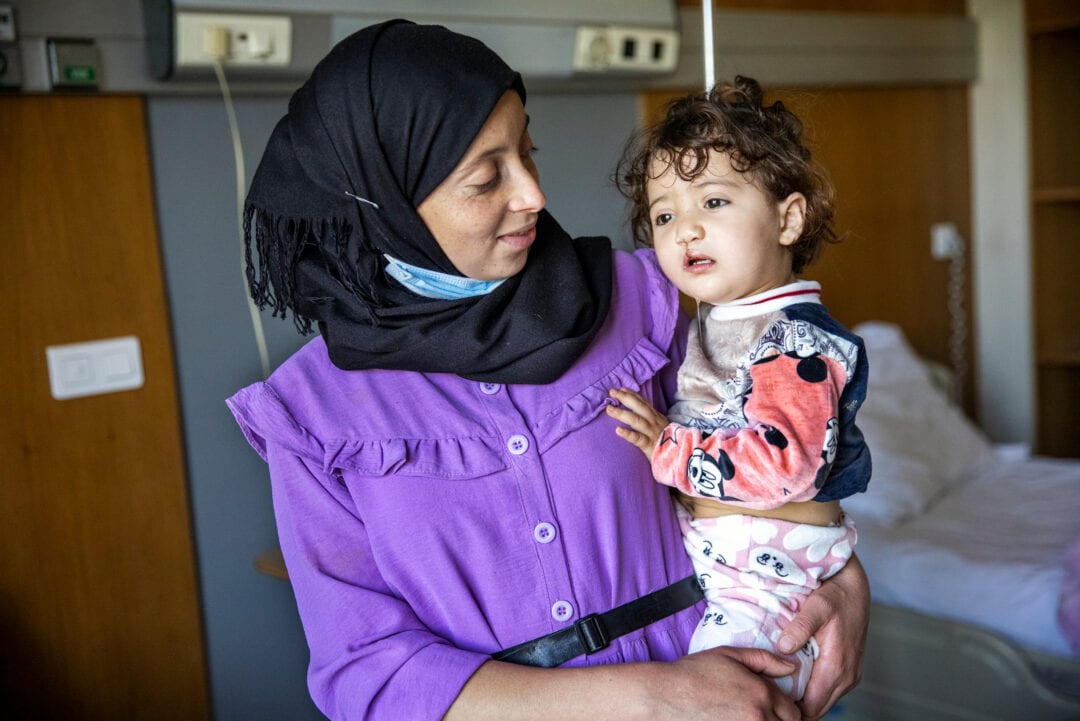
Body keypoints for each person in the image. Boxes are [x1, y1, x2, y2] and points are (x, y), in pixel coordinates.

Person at [226, 20, 870, 721]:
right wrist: (652, 698)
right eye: (485, 177)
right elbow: (366, 671)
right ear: (386, 204)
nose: (533, 193)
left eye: (527, 152)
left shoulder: (637, 299)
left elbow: (763, 456)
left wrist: (844, 584)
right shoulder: (314, 413)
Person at [605, 76, 871, 700]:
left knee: (723, 696)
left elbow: (783, 468)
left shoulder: (794, 341)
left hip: (766, 570)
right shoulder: (724, 320)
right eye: (665, 214)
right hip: (734, 553)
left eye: (714, 203)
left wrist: (669, 449)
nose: (685, 231)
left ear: (788, 218)